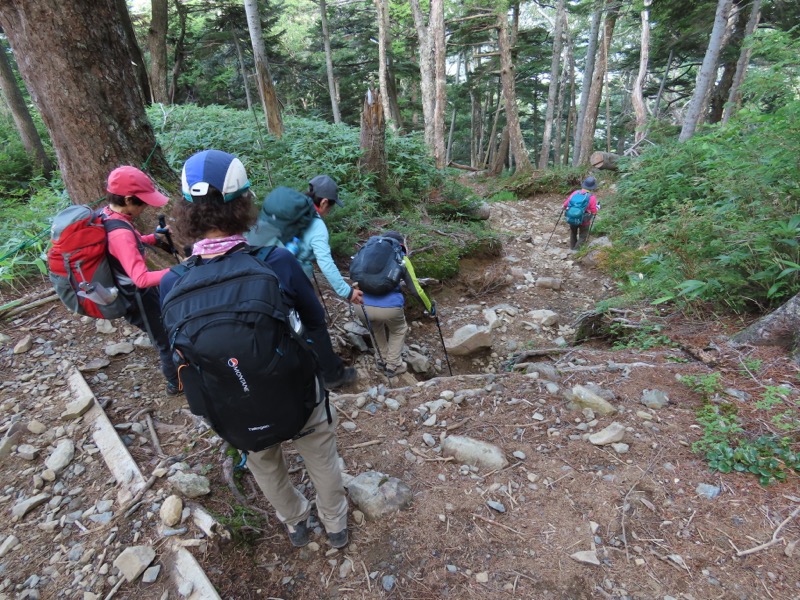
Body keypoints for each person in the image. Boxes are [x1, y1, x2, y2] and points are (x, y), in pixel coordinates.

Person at [161, 150, 350, 548]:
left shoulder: (173, 282)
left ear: (184, 212)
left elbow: (179, 353)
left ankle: (295, 522)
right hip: (294, 387)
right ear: (244, 203)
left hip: (233, 399)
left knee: (263, 460)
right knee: (320, 452)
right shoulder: (275, 260)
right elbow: (315, 320)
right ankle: (335, 526)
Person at [102, 165, 179, 396]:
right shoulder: (120, 232)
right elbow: (142, 278)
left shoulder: (108, 215)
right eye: (142, 202)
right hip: (136, 297)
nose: (145, 207)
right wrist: (179, 271)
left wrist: (152, 238)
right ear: (127, 199)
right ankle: (176, 384)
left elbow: (126, 246)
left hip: (129, 288)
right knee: (164, 338)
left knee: (166, 327)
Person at [355, 231, 435, 377]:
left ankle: (381, 359)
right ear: (400, 244)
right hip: (389, 308)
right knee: (398, 329)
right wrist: (430, 308)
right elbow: (416, 290)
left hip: (360, 305)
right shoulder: (401, 258)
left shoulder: (366, 253)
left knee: (375, 328)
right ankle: (393, 365)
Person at [294, 175, 364, 307]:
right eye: (329, 208)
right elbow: (325, 263)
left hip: (267, 268)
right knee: (313, 319)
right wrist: (347, 292)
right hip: (294, 277)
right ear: (324, 202)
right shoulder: (317, 226)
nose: (328, 212)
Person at [563, 176, 599, 251]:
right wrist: (598, 207)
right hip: (584, 220)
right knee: (583, 236)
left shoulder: (575, 193)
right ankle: (576, 251)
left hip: (572, 218)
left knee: (573, 233)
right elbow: (594, 211)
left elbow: (566, 204)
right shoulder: (591, 197)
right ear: (592, 187)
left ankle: (572, 248)